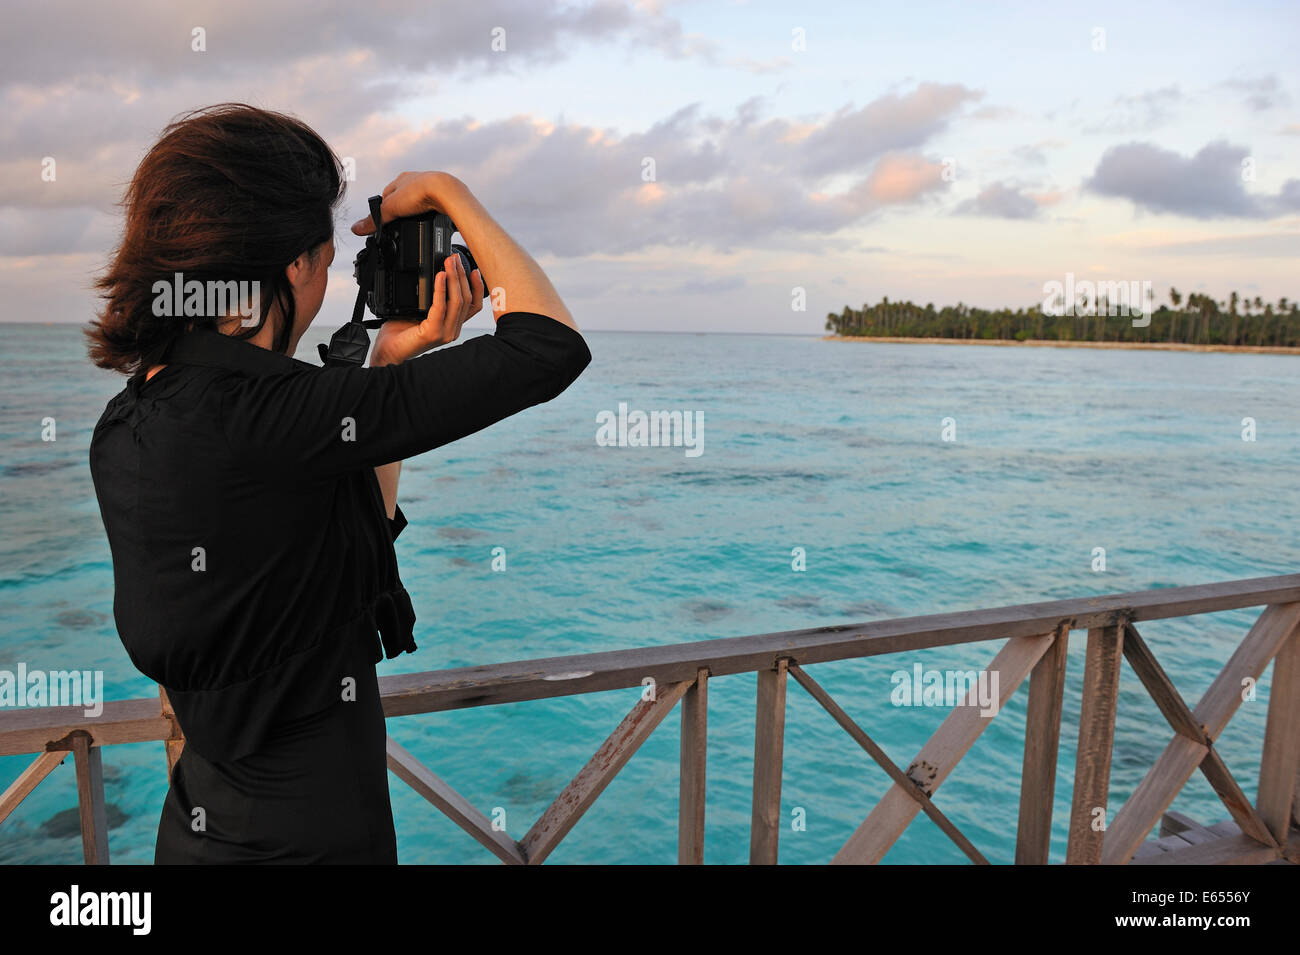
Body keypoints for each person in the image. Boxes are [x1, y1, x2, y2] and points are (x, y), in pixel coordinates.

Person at [85, 104, 591, 863]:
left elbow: (327, 549)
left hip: (197, 831)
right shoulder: (275, 416)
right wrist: (451, 191)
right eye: (324, 260)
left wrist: (385, 367)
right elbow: (550, 345)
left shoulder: (127, 425)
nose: (327, 280)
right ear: (290, 267)